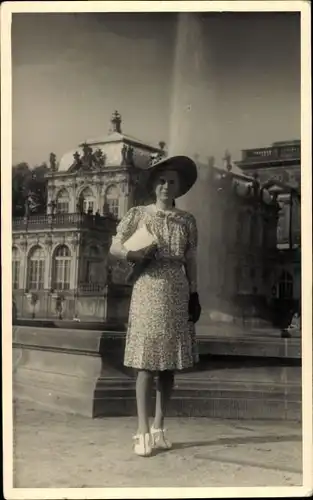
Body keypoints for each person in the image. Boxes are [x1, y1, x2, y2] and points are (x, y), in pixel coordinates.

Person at [109, 155, 201, 457]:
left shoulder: (187, 220)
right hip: (148, 287)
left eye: (171, 182)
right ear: (154, 185)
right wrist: (131, 257)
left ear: (179, 187)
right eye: (161, 181)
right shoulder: (138, 214)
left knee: (168, 366)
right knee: (146, 363)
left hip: (177, 287)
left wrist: (195, 294)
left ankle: (160, 427)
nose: (165, 186)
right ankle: (142, 429)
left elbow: (191, 260)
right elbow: (115, 246)